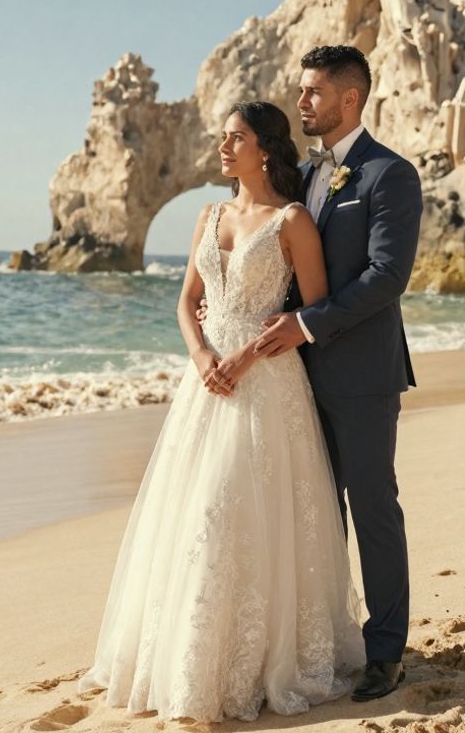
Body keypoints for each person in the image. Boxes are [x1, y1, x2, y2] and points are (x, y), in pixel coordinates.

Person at [77, 101, 365, 722]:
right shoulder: (208, 215)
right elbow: (186, 302)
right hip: (205, 384)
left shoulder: (292, 221)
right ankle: (186, 660)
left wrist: (243, 357)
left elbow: (311, 314)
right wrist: (203, 352)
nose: (223, 147)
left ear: (264, 148)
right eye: (222, 137)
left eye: (235, 137)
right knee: (191, 515)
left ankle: (253, 661)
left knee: (239, 511)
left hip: (267, 383)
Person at [251, 44, 423, 702]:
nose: (302, 104)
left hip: (363, 374)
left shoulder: (389, 175)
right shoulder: (305, 174)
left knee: (372, 507)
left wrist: (307, 325)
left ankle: (385, 653)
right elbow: (291, 264)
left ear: (349, 99)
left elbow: (388, 276)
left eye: (313, 93)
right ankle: (327, 643)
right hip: (297, 378)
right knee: (317, 512)